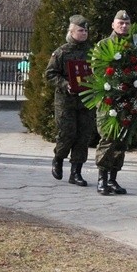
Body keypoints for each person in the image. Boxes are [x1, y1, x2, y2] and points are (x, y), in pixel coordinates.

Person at [45, 15, 95, 186]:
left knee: (83, 136)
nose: (84, 33)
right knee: (67, 134)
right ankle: (58, 158)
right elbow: (50, 74)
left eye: (86, 30)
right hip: (66, 101)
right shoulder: (61, 52)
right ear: (71, 32)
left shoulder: (92, 52)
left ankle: (76, 172)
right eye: (81, 30)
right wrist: (65, 84)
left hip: (86, 100)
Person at [94, 10, 132, 195]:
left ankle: (113, 179)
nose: (124, 26)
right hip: (109, 101)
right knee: (108, 139)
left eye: (126, 24)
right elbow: (97, 70)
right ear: (113, 24)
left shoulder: (132, 45)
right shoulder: (103, 45)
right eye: (120, 23)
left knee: (122, 141)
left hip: (127, 100)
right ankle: (102, 179)